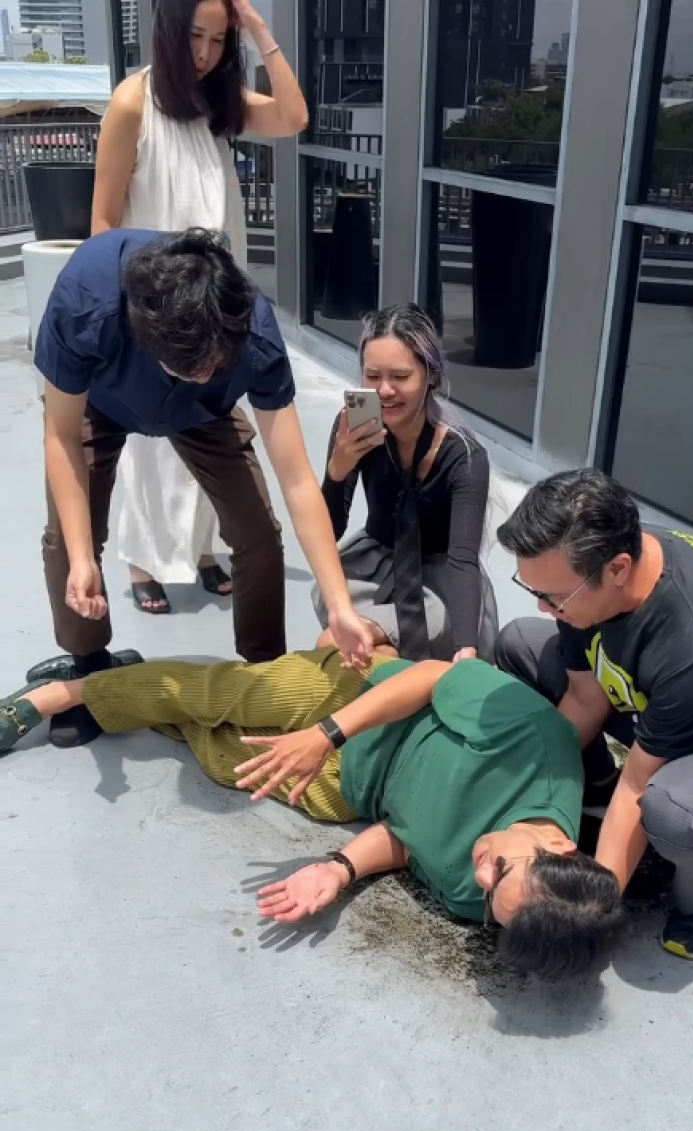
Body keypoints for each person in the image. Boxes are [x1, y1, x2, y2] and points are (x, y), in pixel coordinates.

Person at [1, 650, 622, 977]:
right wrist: (326, 734)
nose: (478, 875)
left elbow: (409, 842)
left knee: (219, 757)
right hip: (354, 702)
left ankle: (122, 682)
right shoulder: (537, 741)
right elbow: (435, 676)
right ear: (560, 848)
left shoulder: (483, 899)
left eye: (489, 898)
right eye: (500, 870)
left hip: (349, 791)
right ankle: (59, 694)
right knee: (222, 696)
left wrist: (337, 870)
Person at [33, 226, 371, 749]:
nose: (202, 372)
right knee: (67, 542)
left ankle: (262, 671)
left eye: (214, 366)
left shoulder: (254, 333)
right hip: (99, 402)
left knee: (258, 532)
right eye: (187, 367)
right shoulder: (87, 300)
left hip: (205, 414)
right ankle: (88, 666)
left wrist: (340, 605)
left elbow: (297, 478)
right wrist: (82, 557)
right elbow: (59, 435)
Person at [494, 469, 693, 961]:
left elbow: (638, 784)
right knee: (521, 644)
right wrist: (516, 799)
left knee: (673, 811)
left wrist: (587, 910)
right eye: (535, 590)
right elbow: (586, 698)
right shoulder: (588, 567)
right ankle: (594, 788)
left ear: (617, 569)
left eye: (553, 597)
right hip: (659, 701)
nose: (543, 607)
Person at [91, 0, 308, 614]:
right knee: (150, 443)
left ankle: (202, 551)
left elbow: (293, 117)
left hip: (215, 300)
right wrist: (123, 318)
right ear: (167, 30)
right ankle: (142, 559)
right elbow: (103, 222)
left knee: (207, 426)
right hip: (153, 305)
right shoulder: (132, 103)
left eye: (218, 39)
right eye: (194, 36)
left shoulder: (218, 100)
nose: (206, 53)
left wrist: (259, 29)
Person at [313, 304, 498, 663]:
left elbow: (462, 559)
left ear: (432, 376)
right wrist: (337, 472)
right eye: (372, 376)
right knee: (356, 649)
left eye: (400, 376)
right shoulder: (353, 428)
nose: (384, 390)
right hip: (373, 566)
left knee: (334, 644)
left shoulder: (464, 456)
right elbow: (328, 531)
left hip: (439, 584)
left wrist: (467, 649)